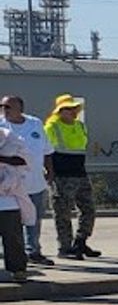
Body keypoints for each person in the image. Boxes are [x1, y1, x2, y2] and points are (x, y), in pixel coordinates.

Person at [0, 94, 53, 265]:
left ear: (20, 108)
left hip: (35, 181)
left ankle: (34, 251)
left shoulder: (35, 123)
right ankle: (13, 255)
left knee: (34, 218)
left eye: (8, 106)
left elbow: (46, 150)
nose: (4, 110)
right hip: (10, 187)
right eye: (2, 106)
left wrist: (49, 172)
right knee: (11, 223)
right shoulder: (1, 126)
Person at [45, 93, 99, 259]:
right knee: (63, 212)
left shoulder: (80, 126)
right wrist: (50, 173)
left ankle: (80, 241)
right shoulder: (51, 127)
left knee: (89, 209)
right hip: (61, 176)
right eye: (68, 109)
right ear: (60, 111)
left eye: (74, 108)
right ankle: (65, 247)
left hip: (80, 173)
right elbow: (45, 153)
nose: (73, 112)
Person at [0, 118, 29, 284]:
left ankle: (18, 270)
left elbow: (23, 160)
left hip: (8, 201)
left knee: (13, 239)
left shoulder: (10, 138)